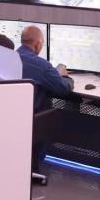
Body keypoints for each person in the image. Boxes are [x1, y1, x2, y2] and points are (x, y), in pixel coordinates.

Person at [17, 25, 73, 178]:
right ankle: (33, 167)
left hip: (10, 118)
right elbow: (64, 89)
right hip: (32, 121)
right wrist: (65, 77)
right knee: (52, 110)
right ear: (37, 45)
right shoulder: (43, 66)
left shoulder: (9, 57)